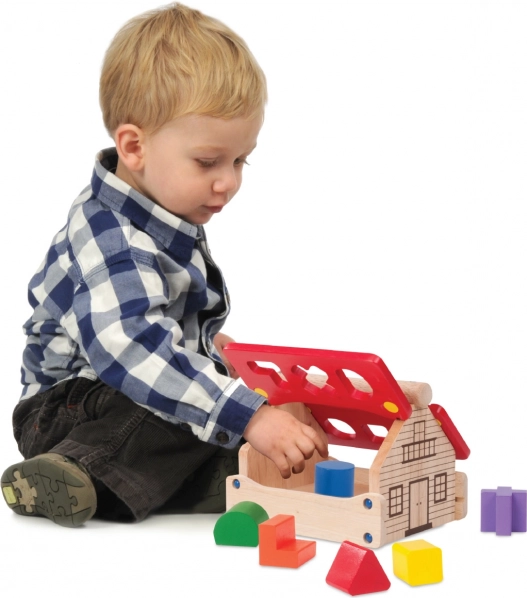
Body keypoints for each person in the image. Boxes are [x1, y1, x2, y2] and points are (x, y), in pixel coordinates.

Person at [1, 3, 328, 527]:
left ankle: (181, 480)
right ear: (134, 146)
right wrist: (247, 415)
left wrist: (216, 359)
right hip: (66, 410)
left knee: (209, 402)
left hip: (119, 393)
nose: (229, 182)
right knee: (182, 399)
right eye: (208, 162)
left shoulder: (164, 213)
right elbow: (132, 348)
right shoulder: (108, 235)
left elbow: (169, 333)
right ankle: (71, 470)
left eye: (241, 160)